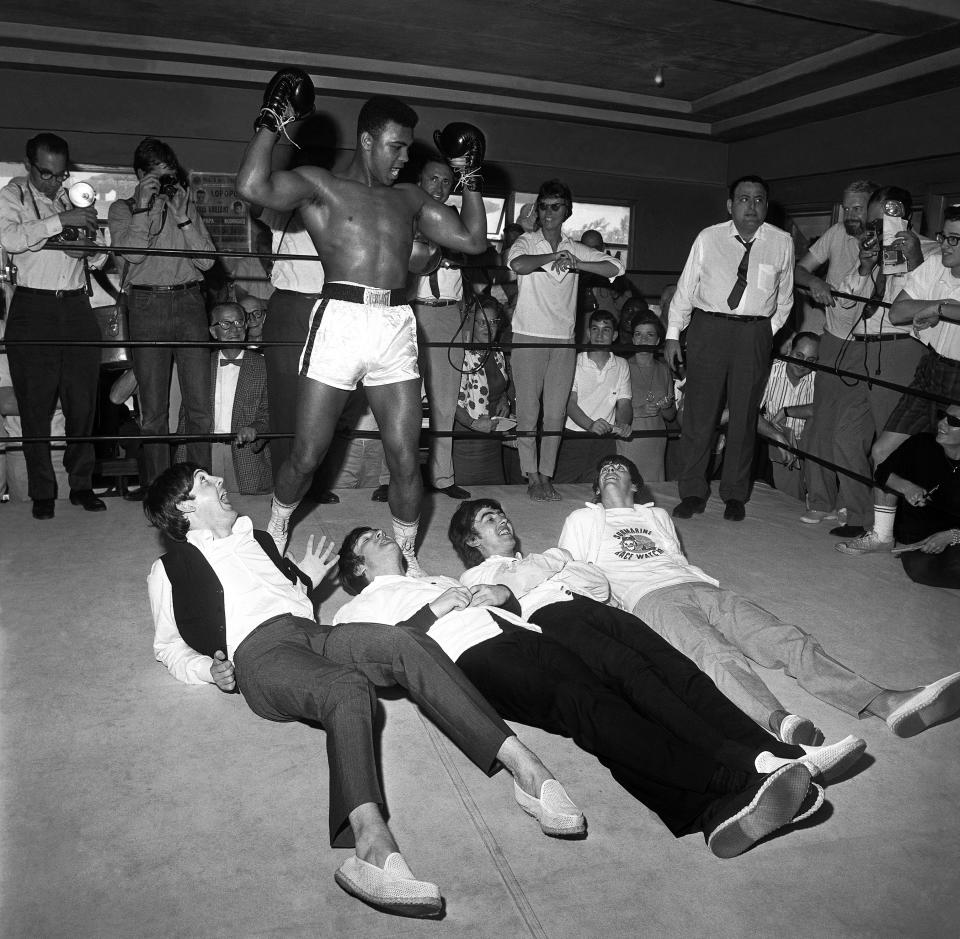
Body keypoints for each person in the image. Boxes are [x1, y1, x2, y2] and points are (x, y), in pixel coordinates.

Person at [145, 462, 581, 918]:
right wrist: (206, 671)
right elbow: (168, 647)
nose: (218, 481)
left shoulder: (257, 539)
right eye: (204, 481)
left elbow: (285, 596)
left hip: (311, 632)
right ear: (185, 505)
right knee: (346, 687)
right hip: (260, 655)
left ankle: (525, 767)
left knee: (404, 640)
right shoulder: (169, 568)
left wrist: (305, 581)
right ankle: (371, 846)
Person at [337, 524, 830, 860]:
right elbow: (386, 662)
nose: (385, 535)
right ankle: (728, 781)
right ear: (358, 567)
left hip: (522, 637)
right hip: (475, 660)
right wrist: (436, 610)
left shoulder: (435, 578)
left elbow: (502, 598)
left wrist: (499, 596)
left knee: (611, 709)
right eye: (372, 539)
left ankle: (708, 814)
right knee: (585, 705)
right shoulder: (358, 608)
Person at [236, 79, 488, 573]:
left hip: (395, 326)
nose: (403, 159)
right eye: (396, 147)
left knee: (403, 454)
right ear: (367, 139)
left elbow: (472, 240)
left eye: (408, 149)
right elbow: (252, 186)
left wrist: (470, 176)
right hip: (340, 322)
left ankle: (407, 555)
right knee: (307, 453)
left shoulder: (410, 198)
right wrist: (273, 120)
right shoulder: (320, 185)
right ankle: (278, 524)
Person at [558, 453, 960, 741]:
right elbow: (572, 573)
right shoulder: (584, 518)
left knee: (786, 637)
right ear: (596, 488)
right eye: (606, 469)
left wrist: (700, 586)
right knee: (715, 655)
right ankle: (778, 721)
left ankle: (885, 702)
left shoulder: (656, 516)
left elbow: (676, 558)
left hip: (701, 587)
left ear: (635, 484)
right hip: (649, 600)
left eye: (621, 467)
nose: (612, 469)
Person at [803, 187, 934, 537]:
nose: (874, 226)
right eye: (872, 219)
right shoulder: (872, 253)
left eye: (882, 218)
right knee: (846, 436)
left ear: (903, 215)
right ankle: (861, 515)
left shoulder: (931, 250)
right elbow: (847, 305)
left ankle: (897, 525)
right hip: (862, 348)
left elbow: (930, 299)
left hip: (900, 348)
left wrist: (914, 256)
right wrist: (864, 265)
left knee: (893, 446)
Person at [665, 175, 794, 522]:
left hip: (754, 334)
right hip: (709, 329)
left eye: (759, 200)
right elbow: (685, 287)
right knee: (699, 416)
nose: (751, 206)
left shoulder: (781, 242)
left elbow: (785, 298)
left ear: (767, 205)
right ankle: (692, 491)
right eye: (743, 199)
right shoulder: (709, 238)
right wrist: (673, 334)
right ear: (730, 205)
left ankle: (735, 493)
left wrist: (767, 332)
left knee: (743, 416)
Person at [838, 203, 960, 555]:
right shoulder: (937, 264)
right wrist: (939, 304)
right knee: (881, 451)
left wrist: (937, 309)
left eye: (954, 238)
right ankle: (882, 533)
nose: (945, 244)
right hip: (932, 368)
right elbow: (898, 311)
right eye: (943, 236)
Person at [0, 132, 107, 519]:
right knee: (35, 405)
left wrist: (91, 249)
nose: (53, 181)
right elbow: (10, 238)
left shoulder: (74, 195)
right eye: (45, 173)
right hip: (32, 306)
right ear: (29, 166)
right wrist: (59, 221)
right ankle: (42, 490)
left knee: (83, 404)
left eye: (60, 174)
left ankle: (81, 485)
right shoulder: (12, 196)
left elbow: (99, 254)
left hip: (77, 305)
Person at [508, 179, 624, 501]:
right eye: (543, 206)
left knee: (556, 413)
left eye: (555, 206)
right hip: (528, 336)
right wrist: (552, 257)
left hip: (562, 341)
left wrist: (576, 262)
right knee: (529, 411)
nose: (548, 212)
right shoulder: (528, 242)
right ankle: (531, 475)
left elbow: (616, 266)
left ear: (566, 211)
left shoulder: (574, 247)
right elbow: (517, 264)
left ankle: (546, 475)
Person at [108, 137, 216, 486]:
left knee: (200, 408)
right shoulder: (122, 210)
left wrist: (184, 218)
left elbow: (207, 260)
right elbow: (133, 255)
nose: (167, 184)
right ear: (140, 176)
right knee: (153, 412)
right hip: (147, 305)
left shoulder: (184, 207)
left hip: (189, 303)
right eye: (158, 177)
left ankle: (201, 487)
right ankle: (158, 490)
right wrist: (144, 208)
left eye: (171, 176)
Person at [410, 157, 472, 500]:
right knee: (401, 399)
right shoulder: (403, 213)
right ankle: (394, 478)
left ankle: (442, 478)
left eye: (446, 182)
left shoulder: (457, 221)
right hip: (410, 312)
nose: (439, 186)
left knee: (446, 401)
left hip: (448, 313)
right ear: (420, 180)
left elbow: (473, 252)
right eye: (432, 179)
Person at [874, 405, 960, 588]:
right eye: (942, 416)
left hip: (955, 537)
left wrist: (952, 536)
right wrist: (906, 487)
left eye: (953, 422)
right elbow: (882, 473)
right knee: (919, 568)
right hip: (920, 539)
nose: (942, 423)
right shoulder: (921, 444)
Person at [200, 301, 272, 494]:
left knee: (250, 517)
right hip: (208, 454)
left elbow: (270, 412)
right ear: (213, 332)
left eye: (239, 322)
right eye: (225, 324)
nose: (234, 329)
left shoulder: (263, 365)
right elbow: (188, 415)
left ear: (246, 326)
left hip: (246, 455)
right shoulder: (200, 366)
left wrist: (256, 428)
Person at [555, 309, 632, 483]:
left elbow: (624, 403)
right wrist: (590, 425)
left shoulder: (621, 364)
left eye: (606, 330)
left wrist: (623, 423)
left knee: (600, 489)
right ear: (589, 332)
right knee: (563, 487)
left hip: (605, 440)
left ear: (615, 335)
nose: (600, 334)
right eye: (595, 329)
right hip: (574, 437)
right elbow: (569, 402)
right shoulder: (574, 360)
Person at [794, 180, 877, 331]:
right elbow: (798, 271)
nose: (849, 216)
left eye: (857, 209)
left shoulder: (887, 241)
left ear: (874, 209)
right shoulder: (837, 232)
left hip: (871, 339)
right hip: (834, 334)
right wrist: (814, 282)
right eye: (846, 209)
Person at [453, 296, 512, 485]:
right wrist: (473, 423)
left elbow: (497, 386)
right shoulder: (461, 355)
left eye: (493, 322)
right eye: (481, 322)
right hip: (468, 442)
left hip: (492, 440)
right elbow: (449, 401)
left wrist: (504, 400)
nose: (488, 327)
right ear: (471, 323)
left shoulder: (497, 352)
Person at [758, 331, 819, 502]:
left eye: (811, 360)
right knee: (789, 500)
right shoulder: (771, 370)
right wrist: (777, 437)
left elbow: (824, 410)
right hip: (774, 441)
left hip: (809, 443)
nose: (802, 364)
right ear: (790, 349)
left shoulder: (818, 378)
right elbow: (749, 414)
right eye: (799, 355)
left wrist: (787, 410)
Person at [617, 309, 676, 482]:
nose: (643, 339)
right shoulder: (621, 367)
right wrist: (638, 411)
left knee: (654, 492)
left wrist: (665, 407)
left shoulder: (663, 369)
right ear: (633, 338)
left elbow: (670, 415)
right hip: (630, 439)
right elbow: (608, 412)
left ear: (658, 340)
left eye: (649, 335)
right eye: (638, 334)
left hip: (656, 441)